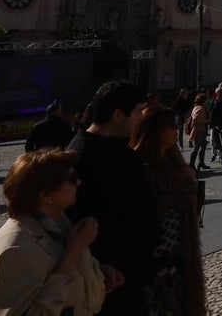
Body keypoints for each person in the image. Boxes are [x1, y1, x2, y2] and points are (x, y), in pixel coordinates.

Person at [0, 149, 120, 316]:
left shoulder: (58, 227)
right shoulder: (14, 249)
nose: (79, 182)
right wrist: (74, 252)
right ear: (45, 194)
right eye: (71, 179)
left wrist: (99, 276)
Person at [67, 80, 160, 316]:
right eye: (139, 111)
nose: (142, 117)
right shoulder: (80, 159)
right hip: (109, 281)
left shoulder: (109, 150)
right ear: (119, 114)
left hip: (126, 275)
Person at [131, 107, 207, 315]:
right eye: (171, 125)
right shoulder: (138, 170)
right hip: (153, 263)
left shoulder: (175, 163)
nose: (177, 129)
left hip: (180, 257)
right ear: (155, 130)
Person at [185, 93, 210, 171]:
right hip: (198, 131)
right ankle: (191, 164)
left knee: (202, 147)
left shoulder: (198, 107)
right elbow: (196, 119)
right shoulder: (200, 108)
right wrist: (207, 121)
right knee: (197, 147)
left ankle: (201, 163)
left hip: (201, 130)